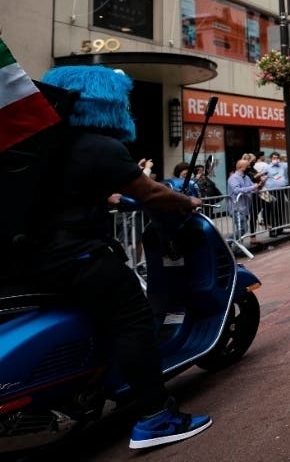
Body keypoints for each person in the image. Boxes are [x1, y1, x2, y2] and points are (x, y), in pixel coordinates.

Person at [33, 65, 212, 450]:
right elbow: (151, 193)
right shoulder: (98, 145)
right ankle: (156, 416)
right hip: (78, 255)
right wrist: (187, 199)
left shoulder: (43, 143)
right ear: (109, 102)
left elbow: (78, 190)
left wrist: (112, 197)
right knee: (134, 317)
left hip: (35, 259)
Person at [227, 159, 261, 244]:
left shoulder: (246, 177)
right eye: (247, 166)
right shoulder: (233, 178)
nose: (249, 168)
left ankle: (237, 248)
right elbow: (236, 190)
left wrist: (258, 187)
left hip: (245, 208)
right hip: (236, 208)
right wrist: (253, 187)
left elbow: (251, 189)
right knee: (243, 228)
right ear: (240, 167)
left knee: (241, 228)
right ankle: (226, 243)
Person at [262, 152, 290, 237]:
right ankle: (272, 231)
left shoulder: (283, 166)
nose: (276, 159)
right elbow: (262, 177)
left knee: (280, 210)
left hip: (281, 190)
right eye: (274, 158)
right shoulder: (267, 167)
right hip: (271, 191)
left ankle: (280, 229)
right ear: (271, 159)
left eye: (277, 157)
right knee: (271, 211)